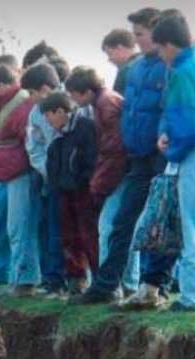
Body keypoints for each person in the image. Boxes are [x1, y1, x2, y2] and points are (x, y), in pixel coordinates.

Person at [72, 8, 175, 308]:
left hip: (162, 155)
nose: (136, 41)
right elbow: (129, 113)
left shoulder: (170, 66)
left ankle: (157, 286)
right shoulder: (136, 68)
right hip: (137, 158)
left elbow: (171, 108)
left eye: (139, 35)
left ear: (156, 32)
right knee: (122, 221)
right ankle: (106, 285)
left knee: (160, 223)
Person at [153, 13, 195, 312]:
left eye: (160, 49)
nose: (160, 56)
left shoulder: (186, 70)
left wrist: (170, 147)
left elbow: (188, 122)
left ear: (168, 45)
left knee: (194, 227)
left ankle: (191, 298)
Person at [66, 66, 139, 296]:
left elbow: (114, 150)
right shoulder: (103, 102)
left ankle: (112, 286)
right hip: (126, 171)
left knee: (107, 227)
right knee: (124, 229)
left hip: (122, 174)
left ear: (85, 91)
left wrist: (100, 185)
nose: (72, 99)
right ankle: (127, 284)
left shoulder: (105, 104)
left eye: (73, 94)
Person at [0, 64, 40, 296]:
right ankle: (21, 278)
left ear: (4, 85)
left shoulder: (20, 106)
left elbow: (29, 142)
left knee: (20, 227)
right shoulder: (12, 104)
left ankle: (23, 281)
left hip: (21, 174)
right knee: (15, 227)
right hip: (14, 174)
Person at [43, 91, 99, 294]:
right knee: (69, 236)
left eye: (48, 115)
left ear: (59, 111)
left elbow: (91, 159)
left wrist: (82, 181)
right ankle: (77, 279)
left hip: (83, 191)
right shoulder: (59, 134)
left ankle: (99, 279)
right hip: (63, 191)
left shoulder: (85, 127)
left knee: (89, 235)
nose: (47, 121)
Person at [22, 62, 66, 295]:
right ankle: (51, 279)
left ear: (45, 88)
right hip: (48, 178)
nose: (30, 99)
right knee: (47, 227)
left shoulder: (71, 105)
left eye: (32, 93)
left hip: (73, 179)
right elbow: (34, 146)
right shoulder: (35, 113)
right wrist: (47, 171)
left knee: (67, 230)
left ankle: (72, 279)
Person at [102, 28, 141, 95]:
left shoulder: (125, 71)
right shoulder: (148, 64)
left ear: (119, 48)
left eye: (110, 54)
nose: (109, 59)